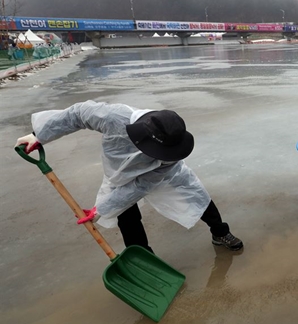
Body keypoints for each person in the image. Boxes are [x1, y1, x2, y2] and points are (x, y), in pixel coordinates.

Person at [15, 101, 243, 252]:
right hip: (119, 172)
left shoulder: (170, 155)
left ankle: (220, 233)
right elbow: (77, 114)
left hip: (161, 173)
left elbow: (141, 185)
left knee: (196, 195)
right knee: (126, 214)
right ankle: (145, 257)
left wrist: (101, 208)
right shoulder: (114, 117)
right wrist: (39, 135)